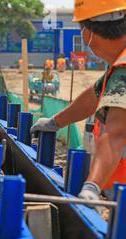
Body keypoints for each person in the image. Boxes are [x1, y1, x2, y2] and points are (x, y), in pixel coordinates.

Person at [31, 0, 126, 202]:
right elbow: (94, 95)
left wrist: (92, 186)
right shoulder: (119, 66)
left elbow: (116, 134)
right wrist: (55, 122)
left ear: (88, 32)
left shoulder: (124, 71)